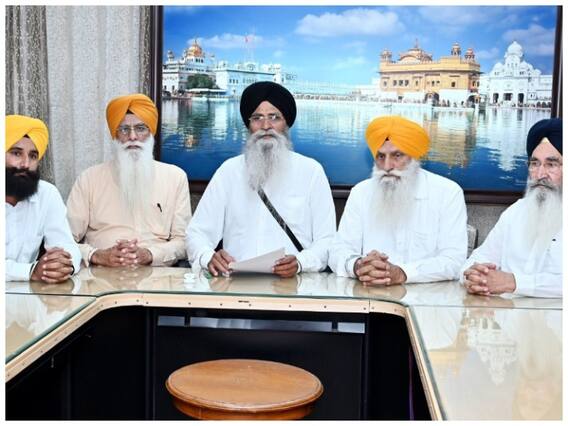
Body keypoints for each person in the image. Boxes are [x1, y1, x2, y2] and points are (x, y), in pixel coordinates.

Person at [186, 81, 335, 278]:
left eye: (274, 117)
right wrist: (207, 257)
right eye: (257, 118)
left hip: (295, 285)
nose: (266, 126)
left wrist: (300, 262)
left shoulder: (311, 171)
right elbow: (197, 233)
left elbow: (328, 241)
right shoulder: (229, 171)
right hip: (236, 285)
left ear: (286, 124)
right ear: (249, 125)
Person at [329, 115, 467, 285]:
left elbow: (454, 260)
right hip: (368, 293)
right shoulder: (361, 192)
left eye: (397, 155)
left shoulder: (447, 193)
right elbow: (338, 251)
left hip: (427, 296)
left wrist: (403, 273)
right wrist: (358, 266)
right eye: (381, 157)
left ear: (413, 157)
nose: (387, 166)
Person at [66, 94, 191, 267]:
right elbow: (63, 239)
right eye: (124, 129)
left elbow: (184, 241)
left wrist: (150, 254)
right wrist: (96, 255)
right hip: (100, 272)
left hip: (156, 274)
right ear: (115, 135)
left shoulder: (175, 177)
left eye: (140, 128)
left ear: (151, 132)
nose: (132, 136)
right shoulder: (88, 179)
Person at [462, 118, 562, 298]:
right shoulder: (516, 211)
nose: (540, 174)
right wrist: (474, 276)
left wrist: (513, 283)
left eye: (552, 164)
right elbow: (477, 260)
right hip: (505, 313)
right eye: (534, 163)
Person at [6, 114, 81, 282]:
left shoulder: (46, 193)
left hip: (29, 294)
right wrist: (29, 271)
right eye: (16, 153)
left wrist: (63, 265)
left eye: (33, 156)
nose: (25, 164)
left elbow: (67, 245)